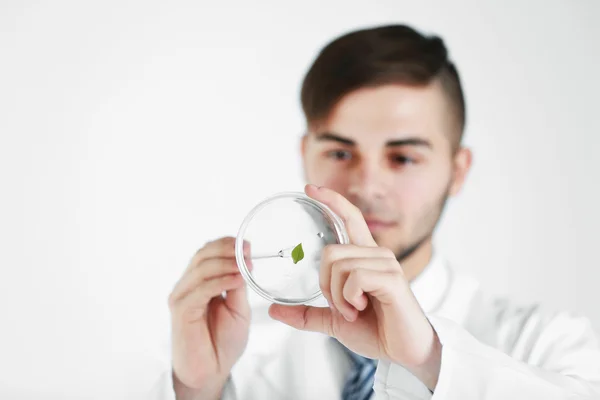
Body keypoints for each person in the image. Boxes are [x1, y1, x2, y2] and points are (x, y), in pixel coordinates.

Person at [150, 24, 600, 399]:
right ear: (306, 155)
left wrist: (428, 359)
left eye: (403, 158)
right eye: (341, 154)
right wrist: (197, 390)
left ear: (457, 171)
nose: (366, 187)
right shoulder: (237, 350)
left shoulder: (549, 345)